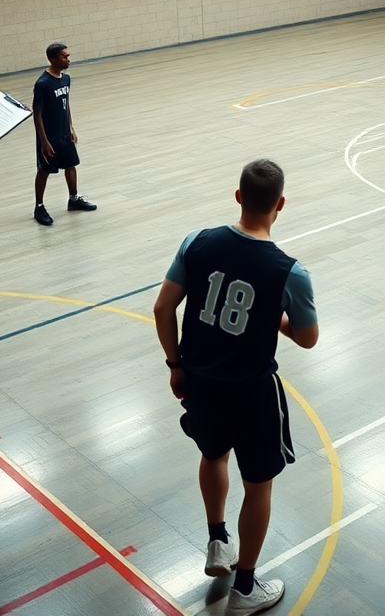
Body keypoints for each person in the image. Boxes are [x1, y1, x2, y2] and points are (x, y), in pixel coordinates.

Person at [153, 159, 318, 616]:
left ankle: (216, 540)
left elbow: (163, 308)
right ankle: (245, 587)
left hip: (202, 382)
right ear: (280, 204)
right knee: (259, 486)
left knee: (212, 455)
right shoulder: (290, 272)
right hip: (251, 392)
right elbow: (307, 337)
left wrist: (175, 364)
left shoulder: (197, 242)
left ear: (238, 196)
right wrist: (275, 316)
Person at [32, 41, 97, 225]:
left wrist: (71, 127)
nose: (68, 59)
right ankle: (38, 206)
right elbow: (36, 113)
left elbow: (66, 104)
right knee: (44, 170)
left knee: (71, 165)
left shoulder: (66, 79)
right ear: (52, 59)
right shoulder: (42, 84)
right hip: (49, 136)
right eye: (64, 56)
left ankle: (73, 199)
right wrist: (43, 141)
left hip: (64, 133)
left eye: (68, 55)